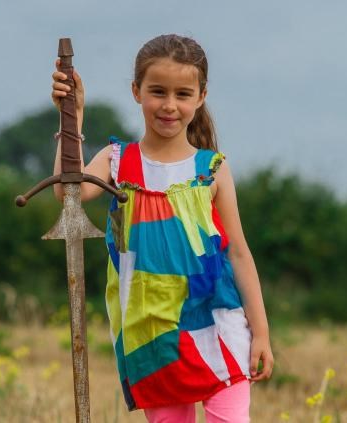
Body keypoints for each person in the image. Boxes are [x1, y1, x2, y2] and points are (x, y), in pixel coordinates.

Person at [51, 34, 273, 423]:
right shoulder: (118, 161)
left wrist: (262, 333)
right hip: (152, 335)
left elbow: (238, 252)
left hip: (220, 324)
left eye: (183, 94)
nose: (169, 105)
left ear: (201, 97)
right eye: (158, 92)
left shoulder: (212, 169)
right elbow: (69, 193)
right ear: (136, 91)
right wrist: (73, 116)